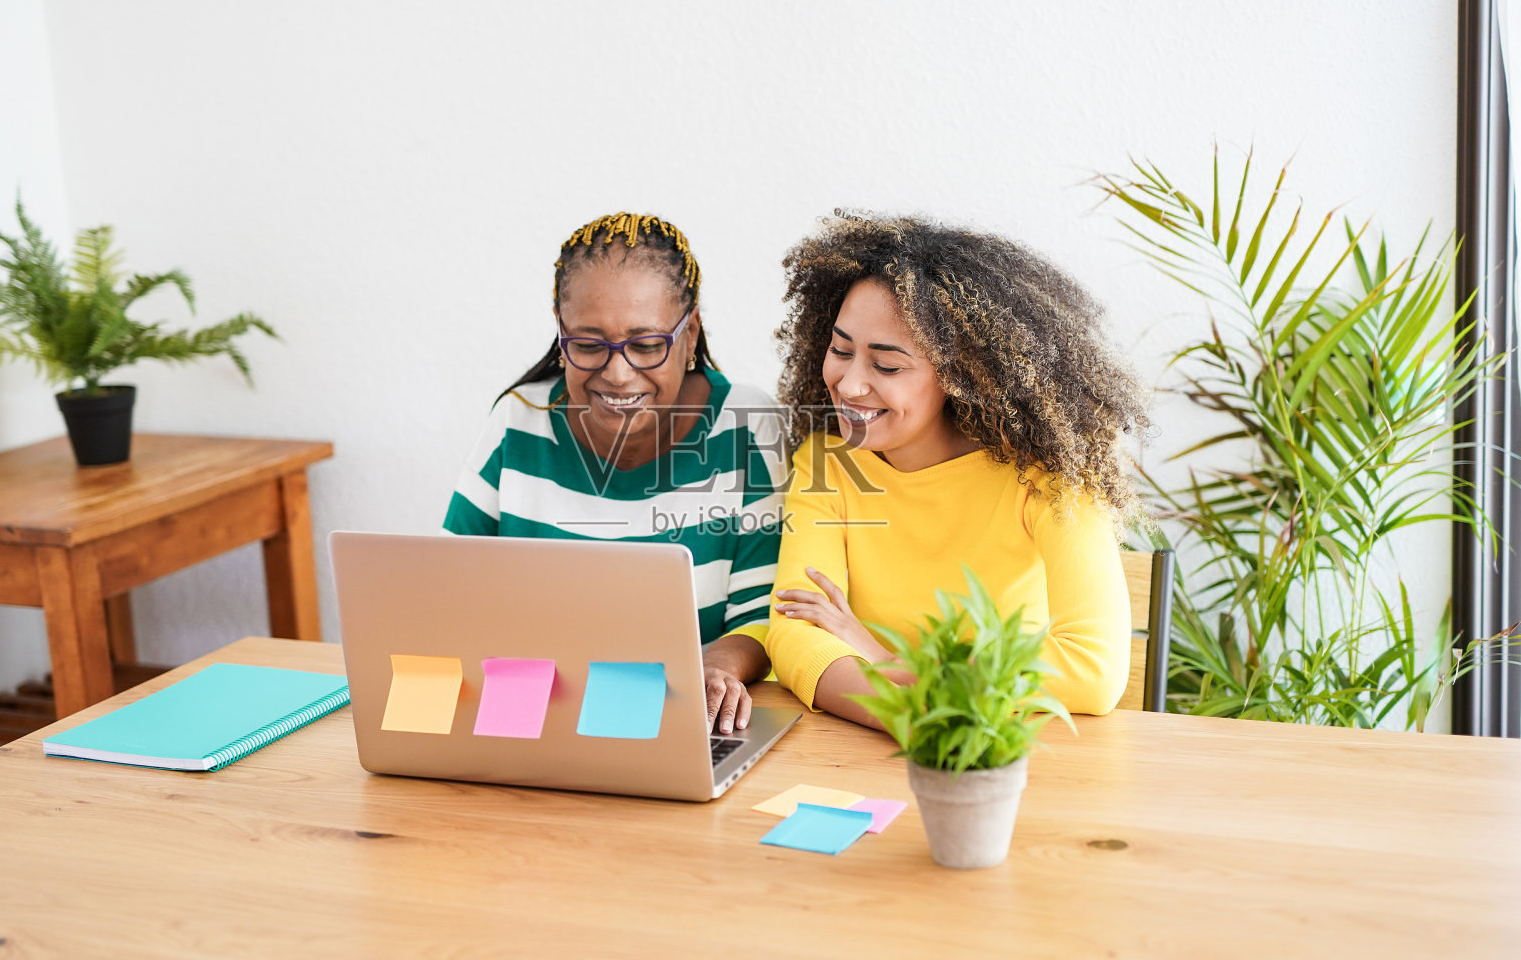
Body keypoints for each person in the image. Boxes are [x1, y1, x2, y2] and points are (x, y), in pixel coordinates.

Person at [764, 211, 1150, 727]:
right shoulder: (827, 461)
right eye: (840, 349)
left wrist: (883, 662)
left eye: (887, 365)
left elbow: (1092, 670)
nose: (850, 383)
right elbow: (794, 633)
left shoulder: (1049, 478)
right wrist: (916, 714)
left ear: (960, 376)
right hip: (866, 749)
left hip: (1001, 757)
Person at [444, 212, 785, 734]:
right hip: (525, 716)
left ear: (689, 332)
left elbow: (761, 616)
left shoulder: (748, 427)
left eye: (647, 345)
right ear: (561, 333)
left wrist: (717, 668)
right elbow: (447, 593)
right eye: (587, 344)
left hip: (674, 716)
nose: (618, 373)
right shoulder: (518, 422)